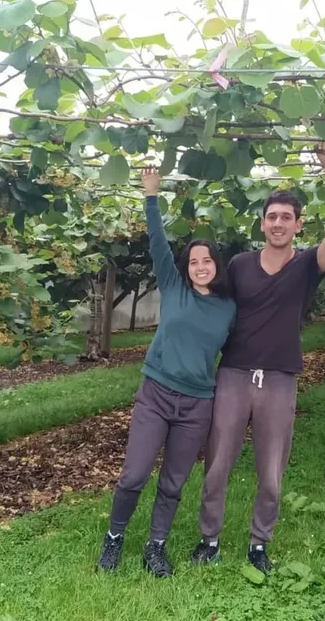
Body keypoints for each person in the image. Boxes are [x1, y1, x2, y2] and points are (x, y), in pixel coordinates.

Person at [190, 142, 325, 573]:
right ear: (263, 224)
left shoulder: (306, 267)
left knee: (271, 471)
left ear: (299, 225)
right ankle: (209, 538)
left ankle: (259, 544)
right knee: (218, 461)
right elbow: (208, 300)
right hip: (234, 374)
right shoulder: (241, 265)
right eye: (272, 217)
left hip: (280, 378)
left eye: (286, 217)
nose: (278, 223)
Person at [97, 166, 236, 578]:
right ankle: (115, 537)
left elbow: (238, 348)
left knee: (173, 483)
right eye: (193, 261)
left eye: (206, 260)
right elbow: (157, 242)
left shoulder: (229, 308)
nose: (200, 266)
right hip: (156, 394)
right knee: (134, 475)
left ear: (216, 265)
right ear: (186, 267)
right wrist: (152, 195)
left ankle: (155, 546)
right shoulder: (174, 288)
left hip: (197, 405)